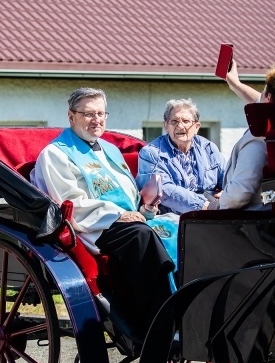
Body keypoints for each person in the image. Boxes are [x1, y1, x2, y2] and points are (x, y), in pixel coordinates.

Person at [31, 87, 175, 337]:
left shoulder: (110, 150)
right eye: (88, 114)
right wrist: (117, 215)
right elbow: (69, 203)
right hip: (93, 228)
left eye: (101, 113)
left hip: (128, 222)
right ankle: (159, 325)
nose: (96, 120)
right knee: (141, 237)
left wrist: (146, 207)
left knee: (179, 227)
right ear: (71, 116)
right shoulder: (55, 154)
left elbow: (127, 197)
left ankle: (186, 312)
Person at [206, 61, 275, 211]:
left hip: (250, 217)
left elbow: (237, 196)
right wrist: (235, 84)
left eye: (263, 91)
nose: (259, 95)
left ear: (269, 97)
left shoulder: (258, 141)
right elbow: (262, 102)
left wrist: (215, 205)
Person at [136, 99, 226, 214]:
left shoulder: (208, 148)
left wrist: (227, 194)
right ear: (166, 126)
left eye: (186, 121)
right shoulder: (151, 153)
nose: (180, 126)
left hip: (211, 211)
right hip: (171, 215)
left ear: (197, 127)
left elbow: (228, 177)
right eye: (174, 121)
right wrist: (203, 205)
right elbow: (163, 189)